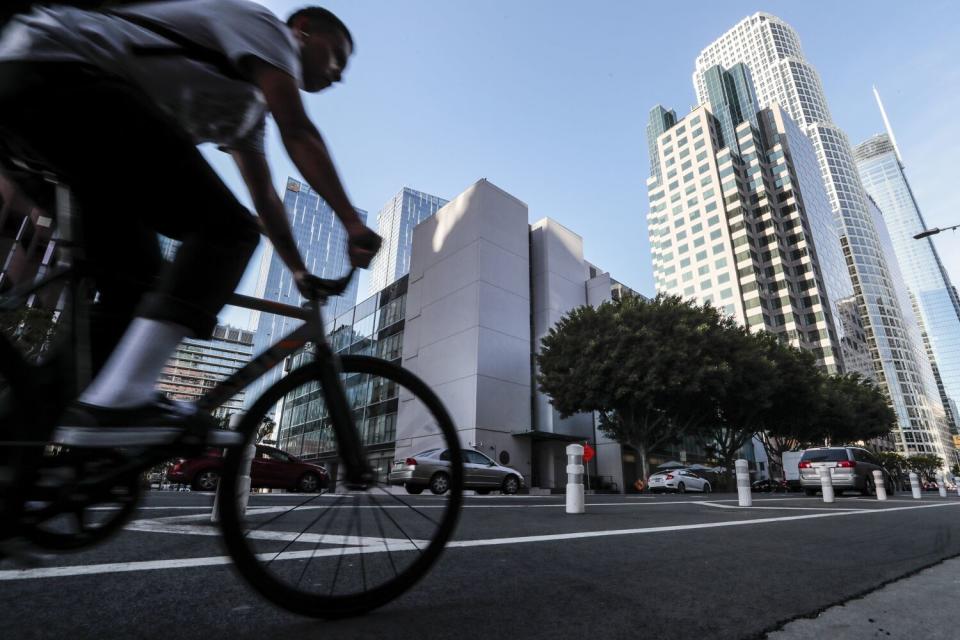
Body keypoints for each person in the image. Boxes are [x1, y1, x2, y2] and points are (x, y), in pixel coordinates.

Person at [0, 1, 381, 446]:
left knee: (134, 286)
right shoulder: (266, 30)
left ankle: (20, 447)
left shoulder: (246, 109)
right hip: (63, 77)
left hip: (40, 106)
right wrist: (353, 224)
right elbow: (297, 131)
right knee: (229, 232)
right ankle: (122, 398)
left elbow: (265, 198)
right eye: (339, 54)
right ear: (303, 30)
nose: (340, 74)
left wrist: (297, 271)